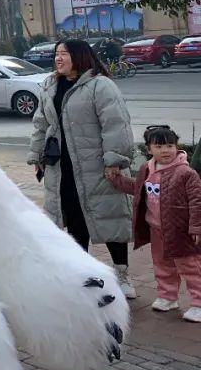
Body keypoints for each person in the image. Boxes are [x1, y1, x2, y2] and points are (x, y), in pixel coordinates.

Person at [29, 38, 137, 297]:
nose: (58, 58)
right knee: (74, 220)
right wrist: (37, 157)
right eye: (56, 53)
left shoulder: (100, 86)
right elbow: (41, 124)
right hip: (62, 167)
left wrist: (115, 160)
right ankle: (82, 273)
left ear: (79, 56)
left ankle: (122, 275)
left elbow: (116, 124)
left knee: (108, 217)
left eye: (64, 53)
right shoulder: (50, 85)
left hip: (95, 166)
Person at [108, 126, 201, 320]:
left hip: (181, 231)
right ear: (149, 149)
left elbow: (196, 201)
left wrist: (196, 227)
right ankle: (167, 297)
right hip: (157, 229)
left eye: (170, 145)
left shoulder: (186, 173)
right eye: (159, 146)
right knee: (162, 264)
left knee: (191, 267)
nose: (165, 150)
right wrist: (116, 180)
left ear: (177, 147)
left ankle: (198, 303)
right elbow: (137, 188)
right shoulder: (147, 169)